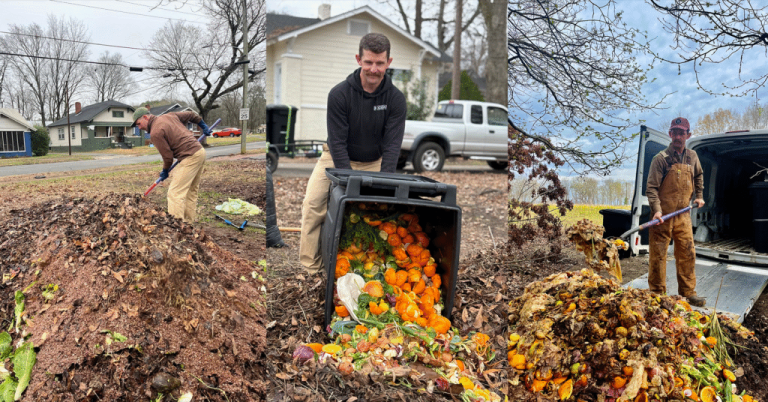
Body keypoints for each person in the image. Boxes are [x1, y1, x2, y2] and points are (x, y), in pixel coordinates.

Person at [299, 33, 407, 274]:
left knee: (377, 210)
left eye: (380, 63)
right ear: (359, 59)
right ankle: (311, 268)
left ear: (389, 62)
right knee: (313, 204)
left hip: (374, 161)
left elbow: (392, 147)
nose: (374, 69)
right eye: (368, 62)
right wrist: (347, 184)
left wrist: (384, 187)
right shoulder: (339, 94)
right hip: (335, 157)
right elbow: (337, 143)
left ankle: (369, 266)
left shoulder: (396, 99)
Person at [646, 117, 706, 307]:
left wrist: (699, 195)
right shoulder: (661, 159)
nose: (678, 136)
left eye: (682, 133)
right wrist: (657, 211)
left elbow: (699, 175)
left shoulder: (692, 157)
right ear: (670, 134)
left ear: (688, 135)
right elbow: (651, 188)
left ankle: (688, 293)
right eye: (675, 132)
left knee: (687, 253)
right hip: (662, 217)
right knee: (658, 255)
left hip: (683, 215)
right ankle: (657, 294)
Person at [132, 107, 212, 223]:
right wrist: (203, 125)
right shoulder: (169, 116)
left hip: (190, 157)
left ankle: (178, 227)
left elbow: (168, 157)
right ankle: (188, 224)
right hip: (199, 152)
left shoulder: (155, 132)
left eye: (139, 124)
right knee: (191, 191)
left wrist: (165, 170)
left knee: (175, 193)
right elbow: (191, 114)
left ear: (145, 117)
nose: (139, 128)